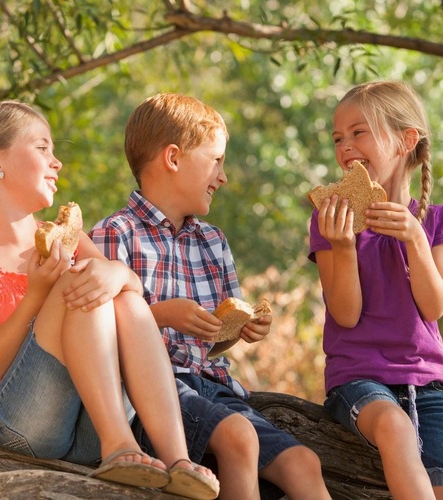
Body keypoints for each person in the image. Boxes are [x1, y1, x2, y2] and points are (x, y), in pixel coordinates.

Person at [0, 100, 219, 499]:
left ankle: (176, 459)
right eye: (42, 148)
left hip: (87, 426)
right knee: (79, 282)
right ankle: (120, 446)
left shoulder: (67, 237)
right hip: (20, 425)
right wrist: (38, 293)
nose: (56, 162)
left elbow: (132, 291)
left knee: (120, 294)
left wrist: (117, 273)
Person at [90, 93, 330, 500]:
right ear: (173, 158)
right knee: (238, 438)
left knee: (303, 463)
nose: (223, 177)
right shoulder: (116, 233)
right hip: (153, 391)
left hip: (213, 387)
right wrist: (163, 315)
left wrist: (239, 328)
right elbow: (98, 335)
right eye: (216, 161)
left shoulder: (212, 241)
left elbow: (212, 343)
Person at [309, 80, 443, 500]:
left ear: (405, 140)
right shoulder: (330, 223)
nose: (345, 146)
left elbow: (433, 307)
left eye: (358, 132)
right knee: (394, 427)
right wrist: (344, 247)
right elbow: (345, 314)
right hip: (359, 379)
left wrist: (415, 239)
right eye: (338, 138)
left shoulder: (438, 222)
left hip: (431, 384)